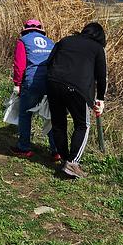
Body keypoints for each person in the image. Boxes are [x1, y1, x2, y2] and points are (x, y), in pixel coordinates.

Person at [46, 22, 107, 178]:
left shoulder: (66, 40)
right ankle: (72, 163)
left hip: (53, 83)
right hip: (76, 89)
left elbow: (49, 62)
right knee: (83, 125)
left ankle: (65, 159)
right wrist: (100, 99)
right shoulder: (97, 49)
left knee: (58, 123)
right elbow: (101, 76)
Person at [9, 20, 58, 161]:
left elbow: (19, 65)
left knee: (25, 114)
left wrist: (17, 83)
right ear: (40, 29)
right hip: (50, 82)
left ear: (26, 29)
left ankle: (24, 147)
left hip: (32, 82)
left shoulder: (23, 41)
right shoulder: (50, 42)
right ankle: (56, 150)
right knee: (50, 116)